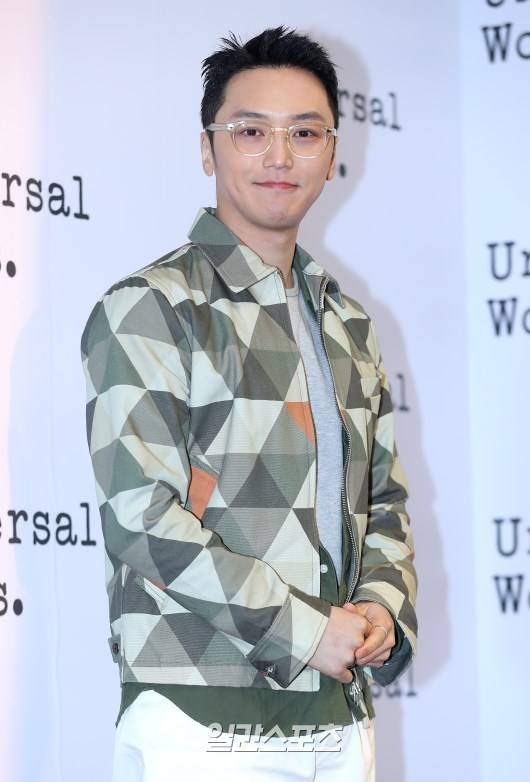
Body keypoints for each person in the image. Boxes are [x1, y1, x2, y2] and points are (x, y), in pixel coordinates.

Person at [80, 25, 418, 781]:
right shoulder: (153, 307)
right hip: (200, 716)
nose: (279, 156)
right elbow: (140, 516)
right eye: (251, 132)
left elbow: (385, 502)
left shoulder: (347, 322)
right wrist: (305, 630)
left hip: (338, 717)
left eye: (305, 133)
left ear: (332, 153)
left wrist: (381, 611)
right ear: (208, 150)